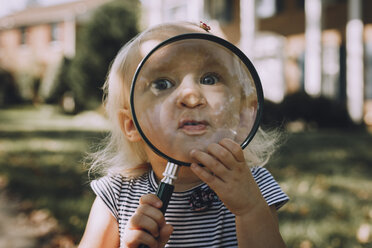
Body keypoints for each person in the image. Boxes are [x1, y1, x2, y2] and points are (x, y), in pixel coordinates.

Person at [79, 21, 289, 248]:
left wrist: (250, 209)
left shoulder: (252, 185)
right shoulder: (117, 194)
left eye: (209, 79)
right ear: (131, 125)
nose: (191, 95)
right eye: (162, 83)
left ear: (243, 115)